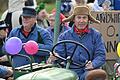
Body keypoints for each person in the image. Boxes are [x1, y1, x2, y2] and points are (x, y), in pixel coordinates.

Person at [47, 6, 106, 80]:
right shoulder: (64, 36)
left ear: (88, 20)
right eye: (79, 17)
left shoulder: (96, 35)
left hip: (88, 70)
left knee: (96, 75)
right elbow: (60, 55)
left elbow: (101, 55)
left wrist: (93, 64)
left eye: (84, 18)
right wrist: (55, 56)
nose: (81, 21)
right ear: (74, 20)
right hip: (69, 71)